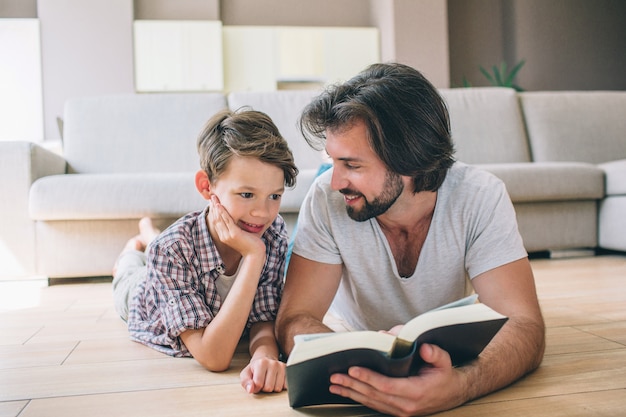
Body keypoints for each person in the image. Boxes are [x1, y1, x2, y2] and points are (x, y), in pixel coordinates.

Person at [275, 63, 545, 416]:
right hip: (350, 333)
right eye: (333, 161)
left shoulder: (480, 196)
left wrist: (463, 385)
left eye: (352, 166)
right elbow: (295, 317)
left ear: (409, 161)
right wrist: (359, 363)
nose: (335, 181)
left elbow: (525, 325)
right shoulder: (327, 200)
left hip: (449, 350)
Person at [112, 108, 298, 395]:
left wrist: (264, 357)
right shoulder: (172, 249)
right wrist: (253, 256)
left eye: (274, 196)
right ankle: (134, 246)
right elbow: (215, 357)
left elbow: (263, 317)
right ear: (206, 186)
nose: (263, 213)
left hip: (174, 255)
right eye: (246, 194)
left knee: (156, 246)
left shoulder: (272, 234)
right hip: (142, 295)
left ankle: (148, 235)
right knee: (130, 270)